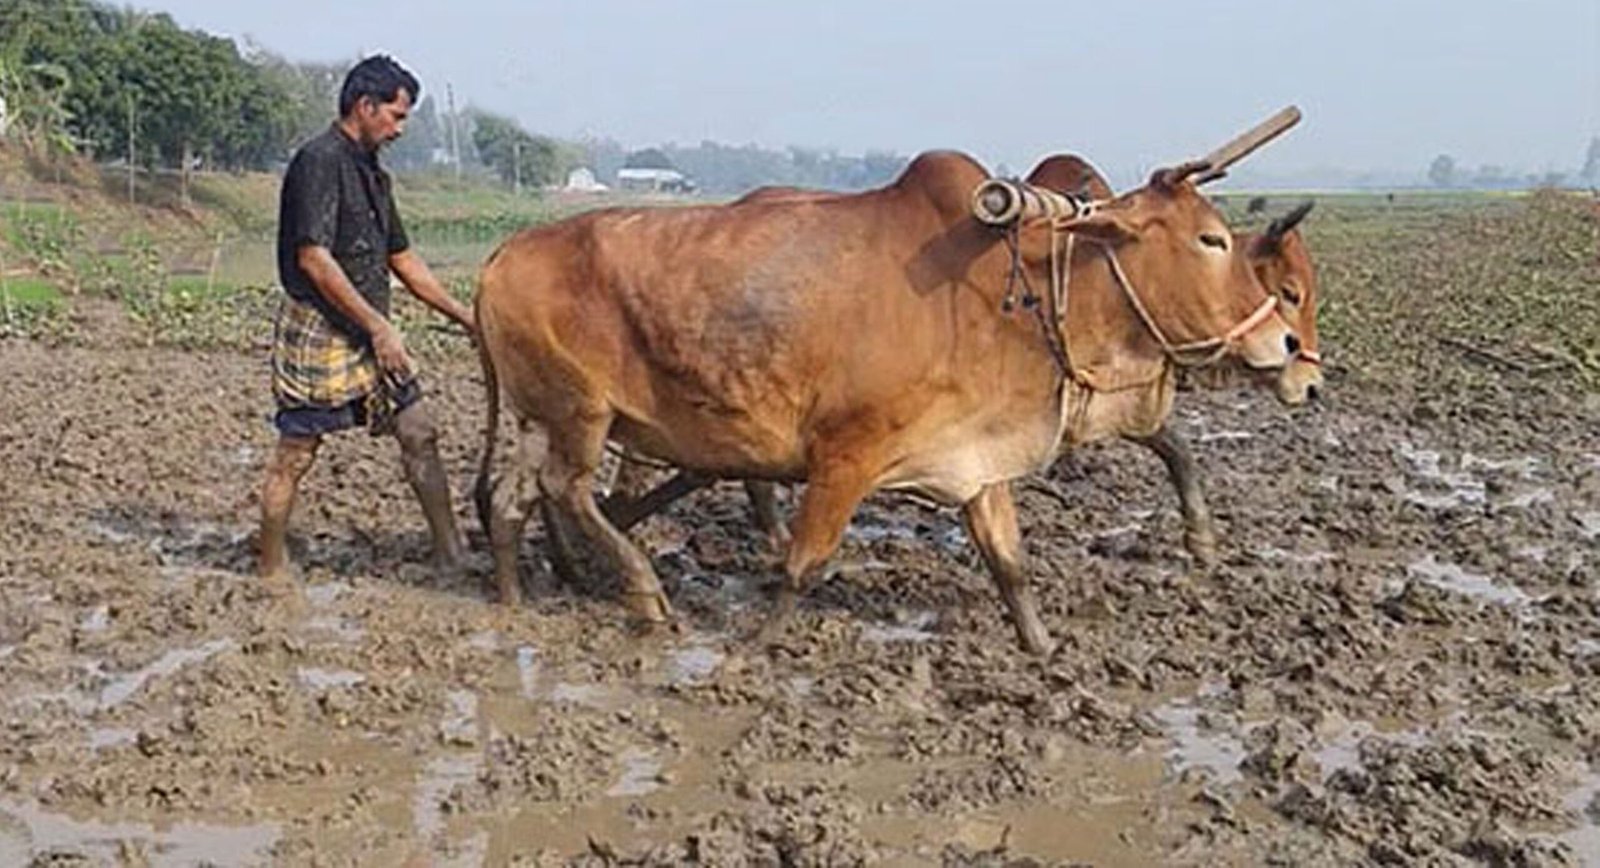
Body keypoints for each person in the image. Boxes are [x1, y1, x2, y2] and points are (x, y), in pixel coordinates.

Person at [258, 54, 474, 586]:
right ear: (365, 105)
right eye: (396, 116)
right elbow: (314, 257)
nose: (400, 129)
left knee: (419, 430)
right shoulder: (318, 161)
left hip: (372, 329)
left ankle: (451, 553)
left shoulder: (373, 173)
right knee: (296, 453)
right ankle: (269, 564)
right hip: (322, 326)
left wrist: (467, 318)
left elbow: (401, 259)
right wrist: (379, 327)